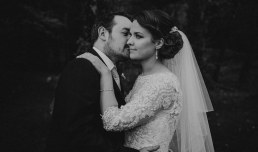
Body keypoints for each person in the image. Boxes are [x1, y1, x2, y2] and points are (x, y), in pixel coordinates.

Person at [79, 10, 215, 152]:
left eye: (138, 36)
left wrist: (106, 74)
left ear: (158, 43)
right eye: (130, 35)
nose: (129, 41)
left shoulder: (162, 83)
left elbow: (112, 122)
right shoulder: (145, 77)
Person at [45, 12, 159, 152]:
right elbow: (76, 133)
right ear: (103, 33)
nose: (130, 41)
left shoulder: (110, 71)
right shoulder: (82, 67)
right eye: (126, 33)